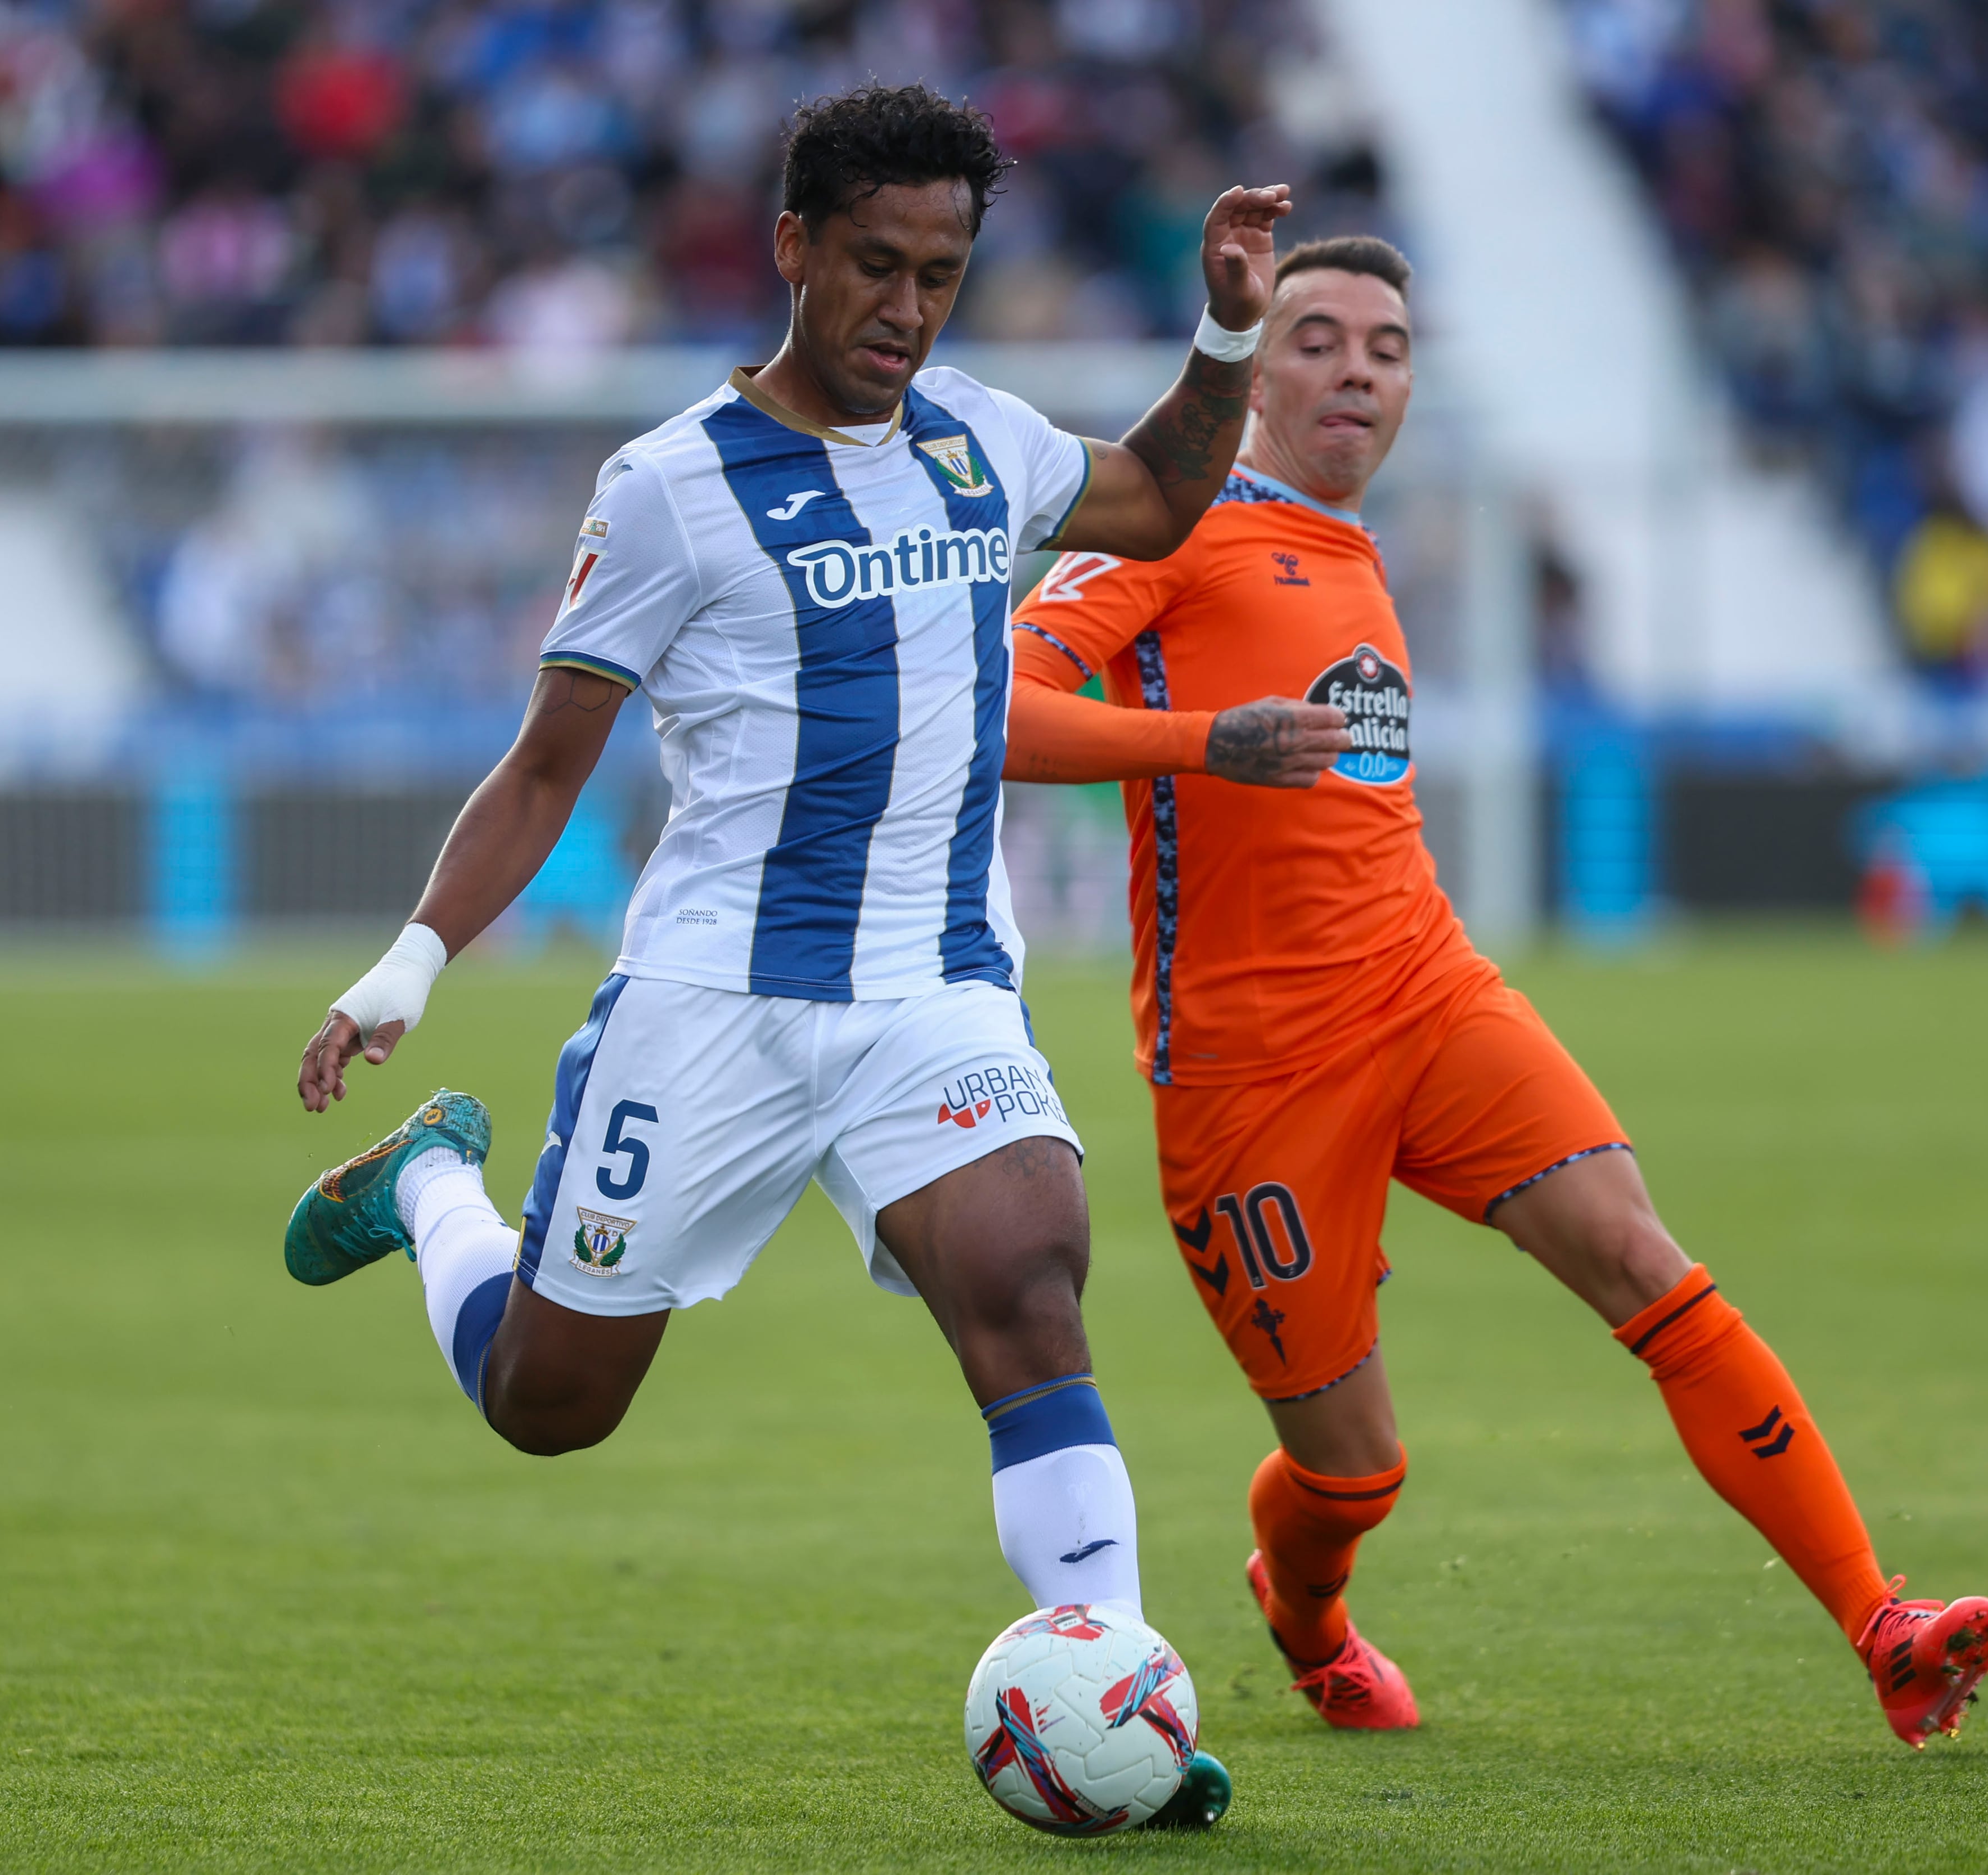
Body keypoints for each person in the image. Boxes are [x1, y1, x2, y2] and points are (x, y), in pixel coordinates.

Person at [278, 84, 1282, 1807]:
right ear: (794, 247)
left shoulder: (979, 438)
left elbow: (1163, 499)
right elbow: (542, 767)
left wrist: (1225, 330)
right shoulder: (669, 489)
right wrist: (410, 964)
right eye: (875, 266)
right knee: (550, 1401)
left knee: (1032, 1275)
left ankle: (1123, 1698)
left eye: (941, 275)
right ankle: (437, 1187)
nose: (906, 310)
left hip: (933, 989)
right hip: (714, 1007)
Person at [1002, 235, 1988, 1748]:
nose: (1357, 367)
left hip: (1426, 987)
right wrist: (1204, 742)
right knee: (1355, 1472)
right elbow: (994, 711)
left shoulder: (1352, 543)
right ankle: (1309, 1613)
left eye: (1387, 346)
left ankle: (1886, 1622)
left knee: (1639, 1253)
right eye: (1319, 337)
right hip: (1249, 1074)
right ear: (1252, 371)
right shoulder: (1169, 528)